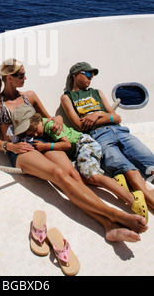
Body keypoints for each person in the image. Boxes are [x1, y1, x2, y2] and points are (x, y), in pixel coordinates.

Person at [0, 58, 148, 243]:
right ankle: (114, 215)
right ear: (9, 78)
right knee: (58, 174)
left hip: (42, 140)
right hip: (20, 148)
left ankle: (108, 226)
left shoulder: (30, 96)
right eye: (21, 75)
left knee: (74, 174)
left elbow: (49, 119)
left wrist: (59, 120)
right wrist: (9, 146)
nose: (25, 78)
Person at [9, 104, 148, 221]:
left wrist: (47, 146)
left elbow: (67, 145)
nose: (33, 135)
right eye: (29, 133)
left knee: (93, 176)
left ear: (37, 120)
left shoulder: (51, 126)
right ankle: (118, 182)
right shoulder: (41, 129)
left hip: (84, 145)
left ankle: (132, 198)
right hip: (77, 152)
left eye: (33, 130)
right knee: (79, 178)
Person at [61, 61, 154, 212]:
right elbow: (79, 125)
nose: (91, 78)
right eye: (88, 74)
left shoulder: (97, 92)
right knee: (129, 171)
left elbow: (116, 117)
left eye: (93, 75)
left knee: (149, 160)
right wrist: (106, 116)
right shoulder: (67, 97)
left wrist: (96, 115)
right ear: (75, 75)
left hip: (120, 131)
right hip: (98, 137)